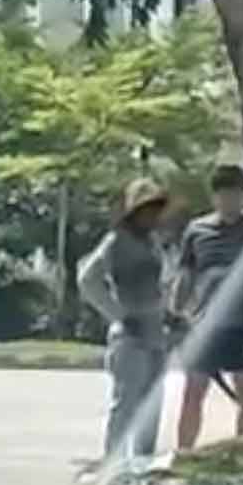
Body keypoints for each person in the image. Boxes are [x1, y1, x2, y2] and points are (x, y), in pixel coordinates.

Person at [78, 178, 170, 458]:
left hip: (156, 333)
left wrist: (169, 314)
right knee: (126, 404)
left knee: (151, 405)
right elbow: (87, 280)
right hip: (130, 337)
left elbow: (161, 284)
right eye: (147, 209)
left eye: (156, 209)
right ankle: (114, 464)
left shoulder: (153, 243)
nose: (152, 216)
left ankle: (142, 463)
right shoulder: (117, 242)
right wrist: (118, 315)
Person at [170, 165, 243, 449]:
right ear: (215, 197)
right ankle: (184, 453)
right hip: (204, 326)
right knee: (193, 394)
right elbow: (185, 275)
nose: (230, 201)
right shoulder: (197, 231)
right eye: (224, 195)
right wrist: (175, 313)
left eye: (235, 195)